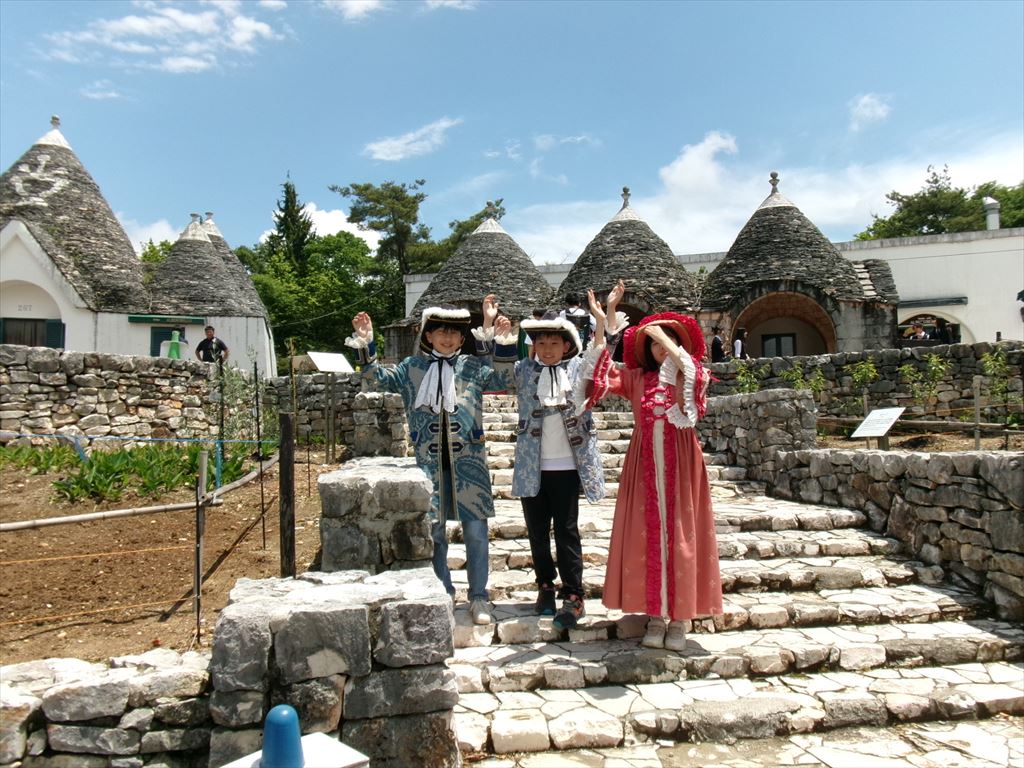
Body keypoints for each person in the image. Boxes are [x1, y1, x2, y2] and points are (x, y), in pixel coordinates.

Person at [347, 297, 508, 625]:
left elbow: (504, 381)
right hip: (429, 465)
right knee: (435, 532)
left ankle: (479, 596)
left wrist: (493, 334)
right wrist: (367, 344)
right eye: (440, 332)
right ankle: (443, 591)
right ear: (428, 336)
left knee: (477, 533)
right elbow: (376, 379)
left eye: (454, 333)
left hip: (471, 466)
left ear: (462, 339)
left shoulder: (471, 367)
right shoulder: (411, 368)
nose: (447, 338)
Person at [585, 292, 723, 651]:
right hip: (643, 462)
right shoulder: (637, 379)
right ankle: (656, 616)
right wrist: (604, 320)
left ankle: (679, 620)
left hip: (682, 464)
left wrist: (666, 339)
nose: (662, 346)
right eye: (655, 342)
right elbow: (600, 375)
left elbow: (696, 381)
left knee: (681, 534)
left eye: (669, 340)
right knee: (647, 536)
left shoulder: (691, 376)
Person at [486, 281, 627, 630]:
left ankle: (574, 593)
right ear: (533, 346)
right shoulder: (524, 370)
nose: (547, 349)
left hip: (567, 466)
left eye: (554, 343)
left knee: (566, 531)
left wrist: (605, 315)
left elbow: (601, 356)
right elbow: (498, 377)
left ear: (566, 345)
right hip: (532, 466)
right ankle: (545, 587)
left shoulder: (577, 369)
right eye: (541, 343)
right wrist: (495, 334)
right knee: (536, 531)